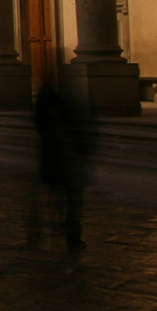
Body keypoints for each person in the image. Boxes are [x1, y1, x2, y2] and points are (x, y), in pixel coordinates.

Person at [32, 83, 97, 251]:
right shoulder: (67, 105)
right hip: (67, 163)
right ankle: (71, 233)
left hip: (57, 163)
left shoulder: (49, 113)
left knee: (59, 199)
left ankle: (60, 229)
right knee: (72, 200)